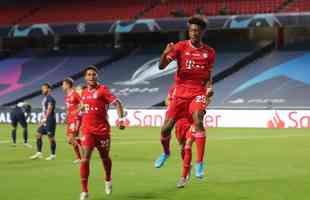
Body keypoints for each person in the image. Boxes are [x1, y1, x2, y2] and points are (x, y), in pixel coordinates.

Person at [154, 15, 215, 187]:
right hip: (180, 92)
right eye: (192, 30)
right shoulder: (180, 47)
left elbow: (209, 75)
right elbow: (161, 66)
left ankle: (200, 163)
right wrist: (164, 54)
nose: (194, 33)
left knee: (198, 119)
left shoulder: (209, 52)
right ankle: (166, 153)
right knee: (166, 129)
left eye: (197, 30)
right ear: (189, 31)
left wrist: (210, 87)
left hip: (198, 92)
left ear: (202, 32)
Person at [79, 66, 126, 200]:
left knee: (105, 158)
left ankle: (108, 178)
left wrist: (121, 119)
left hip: (102, 131)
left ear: (97, 76)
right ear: (85, 77)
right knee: (85, 159)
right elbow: (84, 106)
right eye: (89, 74)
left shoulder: (103, 90)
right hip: (88, 131)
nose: (91, 76)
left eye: (94, 74)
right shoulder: (84, 92)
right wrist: (80, 112)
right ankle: (84, 191)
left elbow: (117, 103)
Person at [30, 83, 57, 160]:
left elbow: (49, 109)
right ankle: (39, 153)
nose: (42, 90)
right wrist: (41, 120)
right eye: (42, 88)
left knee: (51, 138)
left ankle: (53, 155)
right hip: (45, 119)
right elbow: (44, 110)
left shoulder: (50, 98)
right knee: (38, 134)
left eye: (44, 88)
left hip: (50, 120)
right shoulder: (45, 98)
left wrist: (44, 119)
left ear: (49, 89)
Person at [62, 77, 82, 163]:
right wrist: (66, 117)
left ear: (68, 85)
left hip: (75, 118)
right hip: (70, 119)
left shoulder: (75, 94)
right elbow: (68, 108)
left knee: (71, 139)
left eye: (63, 84)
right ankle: (88, 145)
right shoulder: (67, 96)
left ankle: (80, 158)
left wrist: (76, 111)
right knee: (73, 140)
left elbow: (83, 104)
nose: (62, 86)